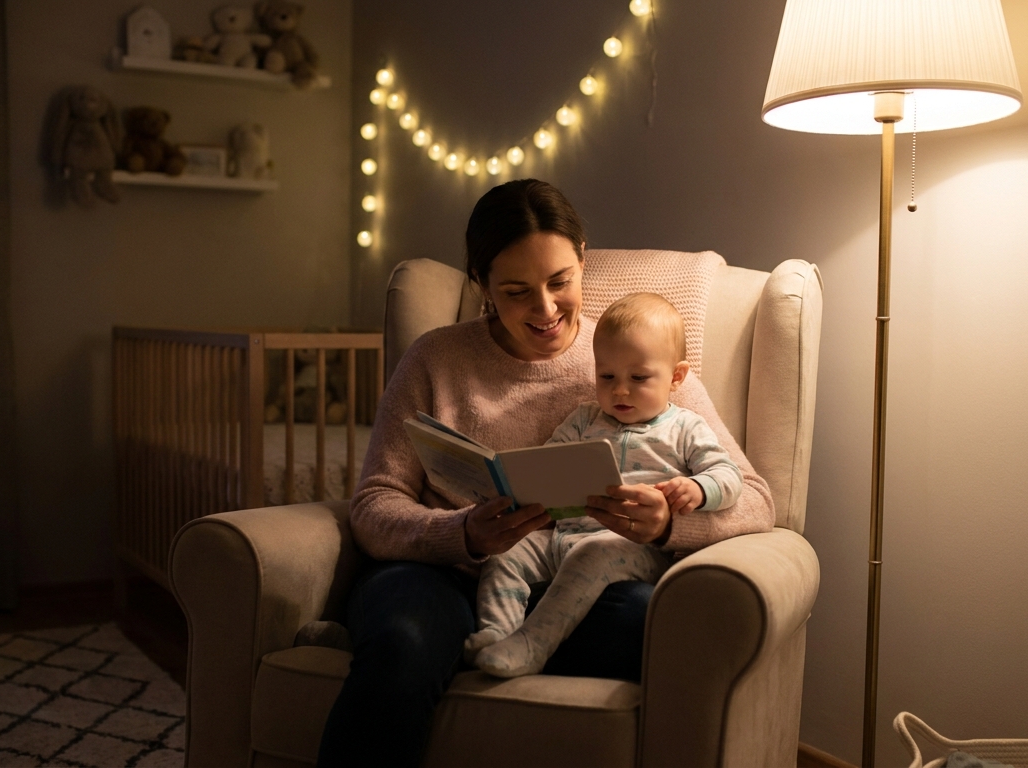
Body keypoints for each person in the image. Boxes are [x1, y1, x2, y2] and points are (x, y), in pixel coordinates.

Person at [316, 179, 775, 768]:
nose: (546, 309)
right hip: (443, 575)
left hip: (581, 583)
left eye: (560, 281)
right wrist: (463, 533)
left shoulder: (632, 357)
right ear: (480, 285)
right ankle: (418, 642)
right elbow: (375, 504)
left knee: (652, 624)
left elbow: (757, 500)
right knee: (406, 638)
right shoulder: (435, 358)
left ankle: (432, 646)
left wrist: (668, 524)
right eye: (515, 291)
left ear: (583, 258)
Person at [467, 292, 744, 678]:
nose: (619, 391)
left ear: (676, 377)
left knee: (593, 554)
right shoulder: (584, 419)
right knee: (506, 554)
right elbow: (548, 460)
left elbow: (730, 477)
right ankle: (498, 631)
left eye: (638, 378)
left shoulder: (685, 428)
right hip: (561, 539)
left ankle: (533, 645)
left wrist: (699, 490)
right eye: (607, 376)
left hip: (629, 549)